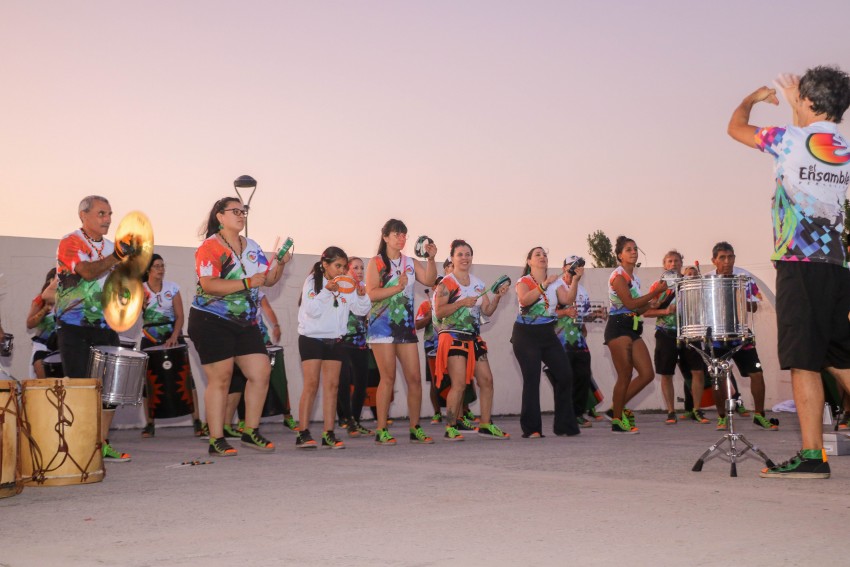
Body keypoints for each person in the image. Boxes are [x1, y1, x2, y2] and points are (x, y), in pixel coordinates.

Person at [727, 65, 850, 478]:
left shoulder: (787, 139)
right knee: (840, 358)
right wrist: (800, 104)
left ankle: (812, 456)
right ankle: (813, 454)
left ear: (809, 101)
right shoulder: (843, 147)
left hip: (800, 264)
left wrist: (753, 98)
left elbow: (735, 128)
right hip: (837, 264)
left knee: (804, 362)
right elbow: (812, 133)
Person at [187, 196, 289, 457]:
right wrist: (246, 283)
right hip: (211, 319)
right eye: (236, 211)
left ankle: (250, 431)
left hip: (245, 322)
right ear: (220, 216)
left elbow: (267, 280)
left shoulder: (252, 246)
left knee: (261, 371)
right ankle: (216, 438)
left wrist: (280, 263)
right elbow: (209, 284)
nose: (242, 215)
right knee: (220, 378)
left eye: (244, 211)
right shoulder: (210, 247)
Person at [54, 195, 138, 461]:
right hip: (74, 325)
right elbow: (87, 272)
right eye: (101, 213)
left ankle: (101, 444)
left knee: (110, 388)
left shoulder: (113, 248)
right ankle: (80, 447)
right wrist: (117, 257)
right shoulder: (71, 241)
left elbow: (121, 286)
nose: (108, 219)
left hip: (105, 325)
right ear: (83, 215)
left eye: (110, 214)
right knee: (81, 387)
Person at [365, 219, 437, 445]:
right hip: (382, 326)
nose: (401, 238)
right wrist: (397, 287)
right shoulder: (376, 262)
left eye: (404, 234)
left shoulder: (410, 262)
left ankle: (415, 428)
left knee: (414, 378)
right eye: (396, 234)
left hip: (405, 327)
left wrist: (431, 259)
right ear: (385, 237)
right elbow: (371, 294)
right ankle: (381, 429)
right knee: (388, 378)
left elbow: (430, 280)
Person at [433, 239, 510, 440]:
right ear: (452, 258)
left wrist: (497, 297)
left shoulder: (478, 283)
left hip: (473, 338)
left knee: (487, 380)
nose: (464, 258)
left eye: (468, 254)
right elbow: (439, 312)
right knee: (458, 384)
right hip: (453, 336)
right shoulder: (446, 284)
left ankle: (485, 424)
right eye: (460, 254)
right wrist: (461, 303)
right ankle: (450, 427)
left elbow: (487, 311)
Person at [296, 247, 371, 449]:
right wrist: (327, 291)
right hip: (311, 338)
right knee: (311, 384)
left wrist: (362, 296)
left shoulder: (346, 283)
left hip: (335, 340)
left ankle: (328, 433)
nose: (342, 270)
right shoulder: (313, 281)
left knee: (332, 386)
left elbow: (360, 310)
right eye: (338, 266)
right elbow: (311, 310)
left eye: (344, 267)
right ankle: (302, 433)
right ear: (325, 264)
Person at [702, 242, 778, 432]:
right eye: (722, 257)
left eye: (730, 257)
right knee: (717, 377)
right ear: (714, 260)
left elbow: (754, 306)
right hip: (717, 336)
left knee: (757, 373)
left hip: (740, 334)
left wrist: (737, 297)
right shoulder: (707, 280)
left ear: (734, 258)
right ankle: (722, 418)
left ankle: (759, 415)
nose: (727, 261)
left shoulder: (745, 277)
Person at [511, 246, 581, 438]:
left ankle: (564, 425)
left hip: (547, 333)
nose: (542, 257)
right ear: (529, 261)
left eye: (544, 255)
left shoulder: (556, 282)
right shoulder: (523, 281)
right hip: (526, 335)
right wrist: (543, 285)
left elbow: (567, 299)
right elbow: (525, 300)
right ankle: (532, 428)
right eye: (537, 254)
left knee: (565, 375)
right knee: (532, 379)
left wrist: (575, 280)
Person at [605, 236, 667, 434]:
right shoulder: (618, 276)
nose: (633, 252)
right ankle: (617, 420)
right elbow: (630, 304)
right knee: (625, 375)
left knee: (647, 374)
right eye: (628, 249)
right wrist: (654, 292)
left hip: (632, 328)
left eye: (635, 249)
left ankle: (615, 408)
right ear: (619, 255)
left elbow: (637, 310)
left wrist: (651, 304)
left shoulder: (635, 279)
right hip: (617, 327)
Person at [138, 254, 203, 438]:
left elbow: (180, 316)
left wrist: (175, 336)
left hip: (173, 336)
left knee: (186, 379)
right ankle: (150, 424)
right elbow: (132, 315)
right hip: (149, 338)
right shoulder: (140, 290)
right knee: (149, 383)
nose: (161, 269)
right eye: (157, 266)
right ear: (148, 270)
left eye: (162, 266)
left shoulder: (172, 288)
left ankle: (197, 421)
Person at [644, 251, 709, 425]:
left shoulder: (690, 283)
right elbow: (646, 312)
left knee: (697, 371)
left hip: (690, 332)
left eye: (676, 261)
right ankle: (671, 412)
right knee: (666, 373)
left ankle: (696, 409)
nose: (673, 264)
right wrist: (665, 310)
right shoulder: (658, 286)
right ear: (664, 265)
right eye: (670, 261)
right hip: (666, 333)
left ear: (681, 263)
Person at [547, 255, 594, 428]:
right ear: (563, 268)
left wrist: (595, 316)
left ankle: (578, 413)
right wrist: (565, 312)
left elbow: (583, 315)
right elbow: (546, 313)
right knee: (564, 378)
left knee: (583, 375)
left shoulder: (582, 290)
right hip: (559, 340)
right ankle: (565, 415)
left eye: (579, 265)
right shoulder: (554, 286)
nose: (575, 268)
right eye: (572, 265)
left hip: (578, 340)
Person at [337, 257, 373, 437]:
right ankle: (346, 419)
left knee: (361, 384)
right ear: (347, 270)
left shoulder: (364, 289)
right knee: (343, 383)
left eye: (362, 268)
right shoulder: (340, 287)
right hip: (343, 342)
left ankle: (355, 421)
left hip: (361, 342)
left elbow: (367, 313)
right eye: (355, 268)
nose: (359, 271)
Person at [414, 277, 443, 424]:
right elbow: (417, 325)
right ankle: (437, 412)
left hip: (449, 344)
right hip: (432, 346)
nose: (442, 289)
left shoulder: (453, 303)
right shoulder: (426, 304)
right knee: (434, 380)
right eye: (439, 286)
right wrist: (429, 316)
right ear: (433, 288)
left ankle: (462, 411)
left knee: (456, 379)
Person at [26, 268, 57, 378]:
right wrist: (45, 309)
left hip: (60, 345)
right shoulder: (41, 299)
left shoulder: (69, 298)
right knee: (42, 383)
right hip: (42, 346)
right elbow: (29, 324)